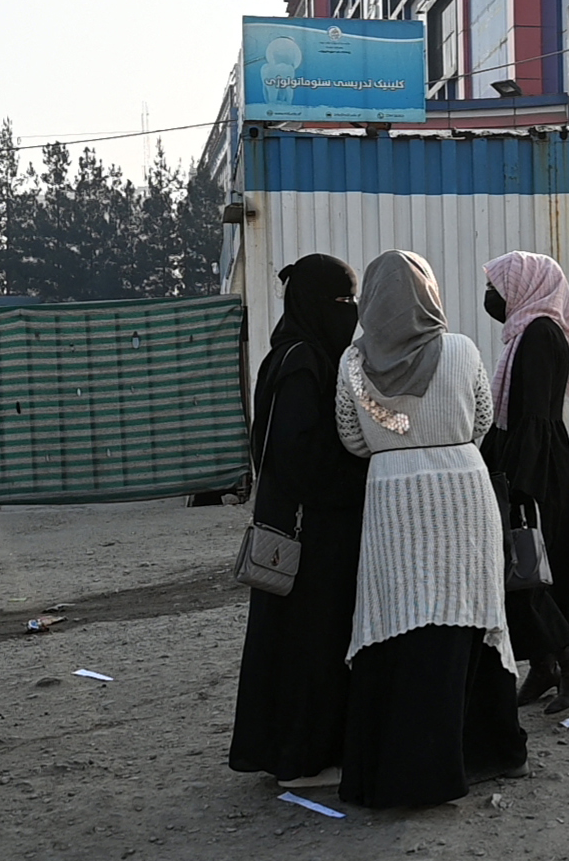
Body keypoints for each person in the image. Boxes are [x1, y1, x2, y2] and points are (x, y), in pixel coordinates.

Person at [335, 250, 527, 808]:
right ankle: (486, 752)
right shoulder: (462, 349)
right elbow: (484, 419)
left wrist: (397, 444)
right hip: (463, 492)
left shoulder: (353, 363)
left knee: (398, 624)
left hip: (393, 497)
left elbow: (350, 438)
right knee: (465, 620)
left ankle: (396, 769)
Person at [229, 254, 368, 789]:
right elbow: (296, 454)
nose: (350, 313)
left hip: (302, 525)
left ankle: (292, 750)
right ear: (315, 304)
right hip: (309, 532)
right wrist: (360, 474)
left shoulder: (291, 354)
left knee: (298, 642)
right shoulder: (304, 360)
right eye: (341, 302)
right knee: (311, 642)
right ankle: (301, 759)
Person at [480, 250, 569, 714]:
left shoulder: (538, 334)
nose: (492, 296)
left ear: (525, 287)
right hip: (539, 461)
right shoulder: (527, 332)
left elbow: (531, 417)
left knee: (525, 569)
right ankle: (545, 665)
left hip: (537, 468)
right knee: (529, 569)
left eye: (498, 286)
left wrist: (517, 484)